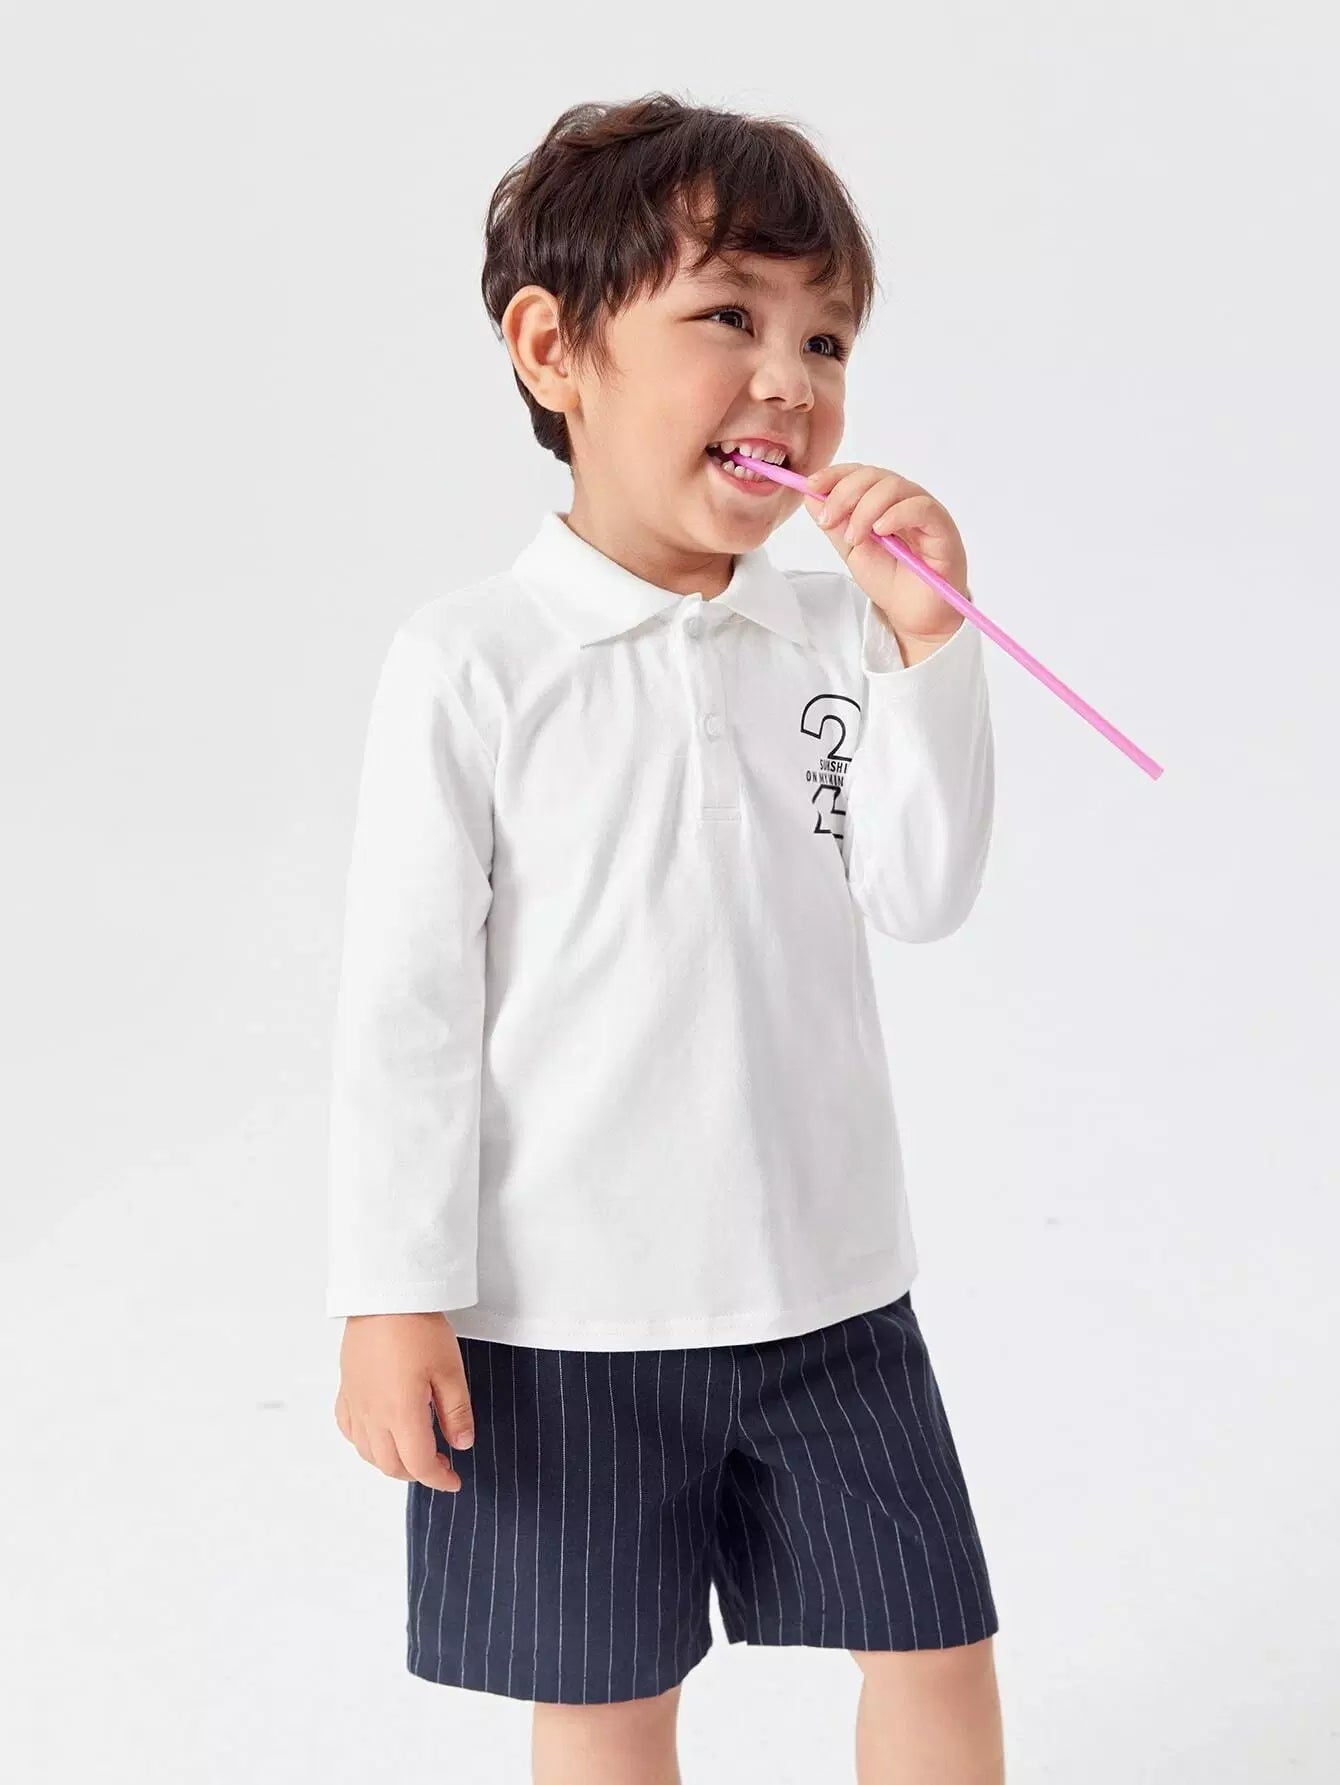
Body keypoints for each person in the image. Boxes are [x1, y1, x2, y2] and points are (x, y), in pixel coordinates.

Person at [327, 92, 1006, 1785]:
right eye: (728, 317)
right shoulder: (472, 662)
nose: (791, 379)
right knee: (608, 1695)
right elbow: (408, 1007)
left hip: (831, 1291)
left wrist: (930, 644)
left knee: (936, 1638)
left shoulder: (834, 633)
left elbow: (924, 889)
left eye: (825, 339)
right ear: (553, 348)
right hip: (562, 1316)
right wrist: (392, 1296)